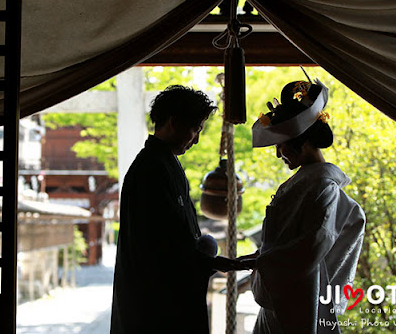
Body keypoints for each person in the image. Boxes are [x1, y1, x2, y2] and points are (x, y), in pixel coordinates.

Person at [110, 85, 241, 334]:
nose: (197, 138)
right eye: (195, 129)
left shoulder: (165, 163)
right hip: (155, 304)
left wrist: (209, 260)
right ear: (173, 122)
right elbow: (160, 245)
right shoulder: (150, 169)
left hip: (167, 297)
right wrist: (209, 261)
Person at [239, 77, 366, 334]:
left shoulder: (323, 188)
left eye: (281, 145)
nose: (278, 153)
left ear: (304, 142)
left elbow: (311, 246)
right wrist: (261, 259)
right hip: (283, 297)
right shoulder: (309, 184)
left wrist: (263, 261)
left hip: (301, 299)